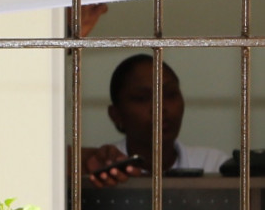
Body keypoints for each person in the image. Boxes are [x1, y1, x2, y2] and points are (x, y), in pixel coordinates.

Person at [83, 53, 230, 186]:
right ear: (115, 114)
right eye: (142, 98)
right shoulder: (101, 168)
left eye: (170, 94)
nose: (160, 107)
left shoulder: (214, 165)